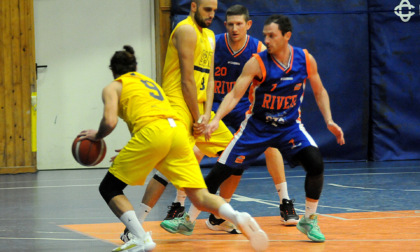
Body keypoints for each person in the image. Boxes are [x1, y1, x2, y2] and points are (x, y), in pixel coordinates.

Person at [78, 45, 269, 252]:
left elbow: (110, 121)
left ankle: (139, 237)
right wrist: (133, 148)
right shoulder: (151, 84)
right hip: (174, 132)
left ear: (113, 70)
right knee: (200, 196)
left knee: (109, 188)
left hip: (152, 134)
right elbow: (156, 120)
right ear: (135, 67)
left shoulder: (113, 87)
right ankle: (237, 216)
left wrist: (97, 136)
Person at [203, 14, 345, 242]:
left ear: (286, 36)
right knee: (218, 174)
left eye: (272, 35)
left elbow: (319, 91)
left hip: (288, 126)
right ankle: (188, 217)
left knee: (315, 163)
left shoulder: (305, 59)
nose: (267, 40)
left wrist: (329, 120)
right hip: (257, 126)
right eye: (265, 35)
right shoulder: (257, 61)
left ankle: (308, 219)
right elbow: (234, 94)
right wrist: (216, 118)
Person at [119, 0, 246, 241]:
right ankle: (133, 230)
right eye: (207, 10)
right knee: (167, 170)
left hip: (199, 108)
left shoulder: (209, 35)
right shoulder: (185, 29)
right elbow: (187, 80)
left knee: (235, 153)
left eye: (214, 11)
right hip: (178, 105)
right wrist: (197, 116)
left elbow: (209, 79)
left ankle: (217, 217)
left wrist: (207, 113)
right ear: (194, 6)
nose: (211, 16)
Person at [177, 5, 300, 231]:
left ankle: (285, 202)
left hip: (243, 106)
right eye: (231, 24)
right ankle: (179, 204)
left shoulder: (258, 48)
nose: (235, 28)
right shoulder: (213, 42)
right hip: (215, 105)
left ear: (248, 25)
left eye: (239, 24)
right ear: (225, 25)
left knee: (270, 145)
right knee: (195, 150)